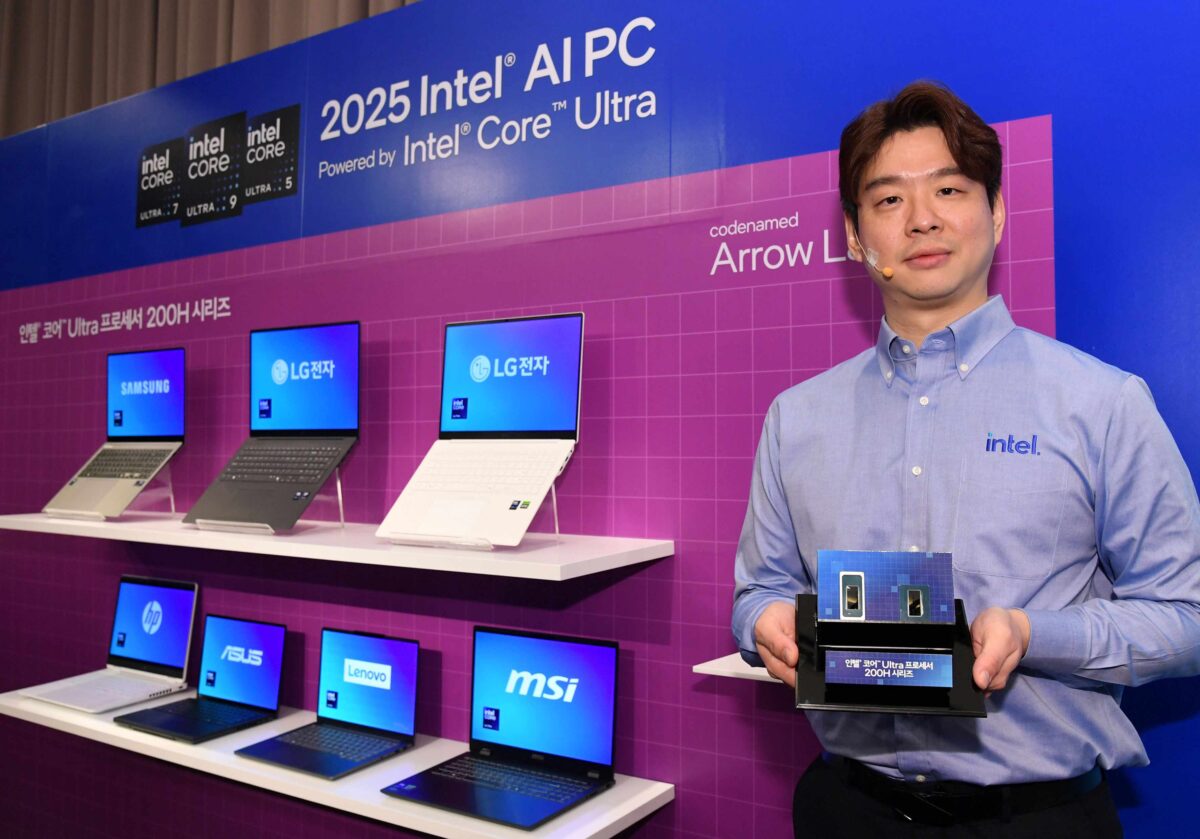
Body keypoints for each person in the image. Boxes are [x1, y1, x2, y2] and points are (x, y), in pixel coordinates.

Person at [731, 81, 1200, 837]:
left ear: (997, 210)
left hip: (1037, 818)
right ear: (854, 234)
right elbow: (759, 589)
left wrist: (1035, 633)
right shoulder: (797, 418)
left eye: (949, 189)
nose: (922, 218)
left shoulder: (1101, 403)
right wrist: (765, 624)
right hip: (848, 808)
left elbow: (1188, 616)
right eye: (888, 199)